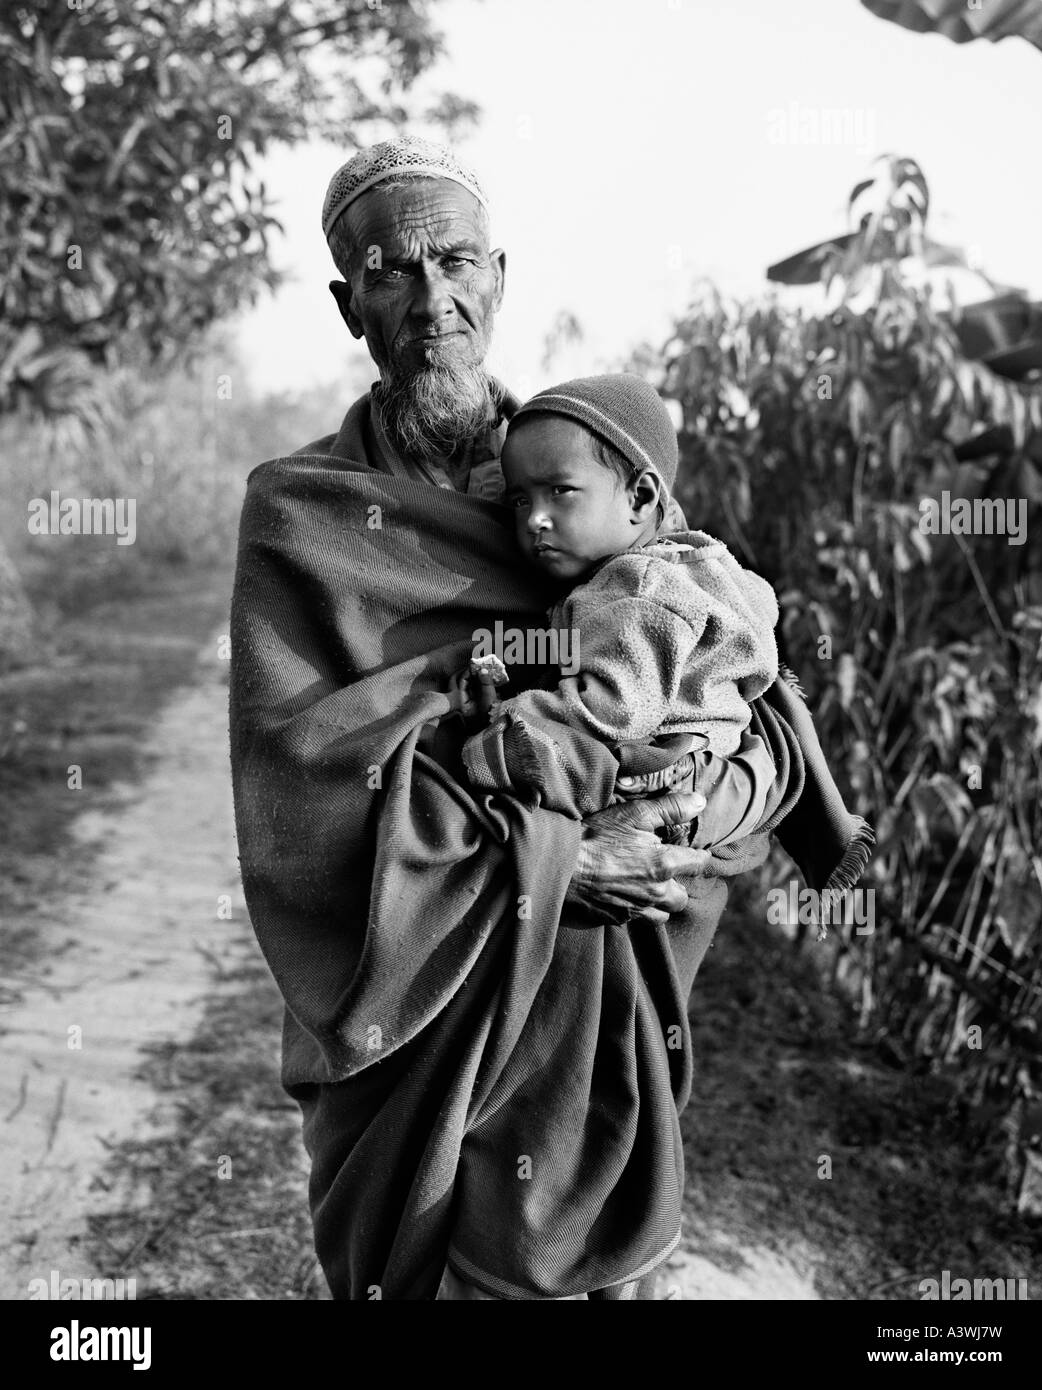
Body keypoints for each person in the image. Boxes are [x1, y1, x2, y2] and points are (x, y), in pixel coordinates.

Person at [228, 135, 871, 1301]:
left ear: (499, 276)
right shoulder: (301, 515)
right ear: (346, 303)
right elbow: (301, 791)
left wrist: (694, 803)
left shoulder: (591, 474)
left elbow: (745, 693)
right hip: (415, 1015)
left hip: (589, 1014)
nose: (433, 300)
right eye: (391, 271)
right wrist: (553, 861)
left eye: (458, 262)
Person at [457, 373, 781, 843]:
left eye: (560, 491)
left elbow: (612, 707)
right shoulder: (698, 568)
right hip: (707, 771)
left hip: (662, 772)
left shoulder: (642, 584)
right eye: (521, 500)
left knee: (494, 769)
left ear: (641, 497)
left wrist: (505, 721)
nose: (534, 520)